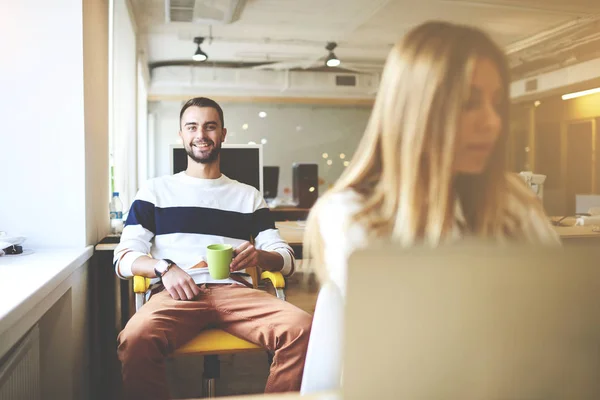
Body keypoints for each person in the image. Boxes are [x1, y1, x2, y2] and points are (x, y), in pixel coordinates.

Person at [304, 21, 560, 295]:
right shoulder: (355, 215)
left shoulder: (511, 199)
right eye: (468, 103)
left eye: (496, 104)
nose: (493, 122)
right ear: (416, 112)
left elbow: (561, 302)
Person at [114, 97, 312, 400]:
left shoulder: (248, 196)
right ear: (181, 135)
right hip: (176, 293)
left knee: (302, 329)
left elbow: (285, 258)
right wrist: (164, 268)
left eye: (210, 126)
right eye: (192, 127)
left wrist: (260, 256)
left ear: (223, 134)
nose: (201, 135)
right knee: (135, 338)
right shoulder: (155, 191)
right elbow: (124, 257)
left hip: (236, 292)